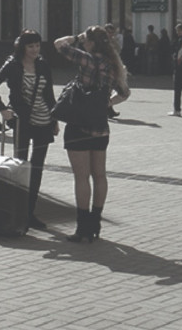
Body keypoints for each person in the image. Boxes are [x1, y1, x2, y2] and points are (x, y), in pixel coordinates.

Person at [53, 26, 130, 243]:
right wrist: (107, 103)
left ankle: (82, 227)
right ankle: (95, 223)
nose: (83, 42)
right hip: (100, 127)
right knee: (100, 175)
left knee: (81, 177)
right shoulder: (112, 65)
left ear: (92, 43)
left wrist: (75, 36)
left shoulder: (86, 59)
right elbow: (124, 93)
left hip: (78, 126)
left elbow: (59, 43)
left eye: (86, 39)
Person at [0, 29, 58, 230]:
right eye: (30, 46)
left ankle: (29, 213)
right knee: (20, 167)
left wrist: (55, 118)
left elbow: (49, 92)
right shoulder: (13, 65)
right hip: (22, 123)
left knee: (37, 168)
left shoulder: (42, 64)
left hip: (43, 121)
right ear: (22, 47)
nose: (35, 50)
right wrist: (2, 109)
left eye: (37, 45)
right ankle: (17, 211)